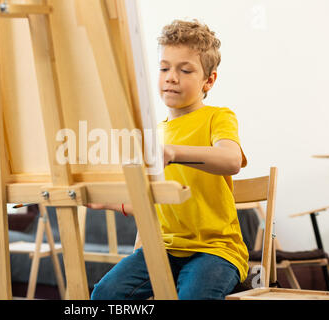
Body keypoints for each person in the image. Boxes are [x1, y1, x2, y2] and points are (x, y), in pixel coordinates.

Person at [89, 19, 248, 300]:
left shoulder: (217, 117)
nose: (170, 77)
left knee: (193, 296)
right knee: (105, 294)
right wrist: (106, 201)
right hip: (162, 248)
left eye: (185, 70)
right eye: (164, 68)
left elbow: (231, 159)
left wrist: (173, 152)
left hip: (214, 251)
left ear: (208, 80)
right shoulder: (154, 132)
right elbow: (153, 200)